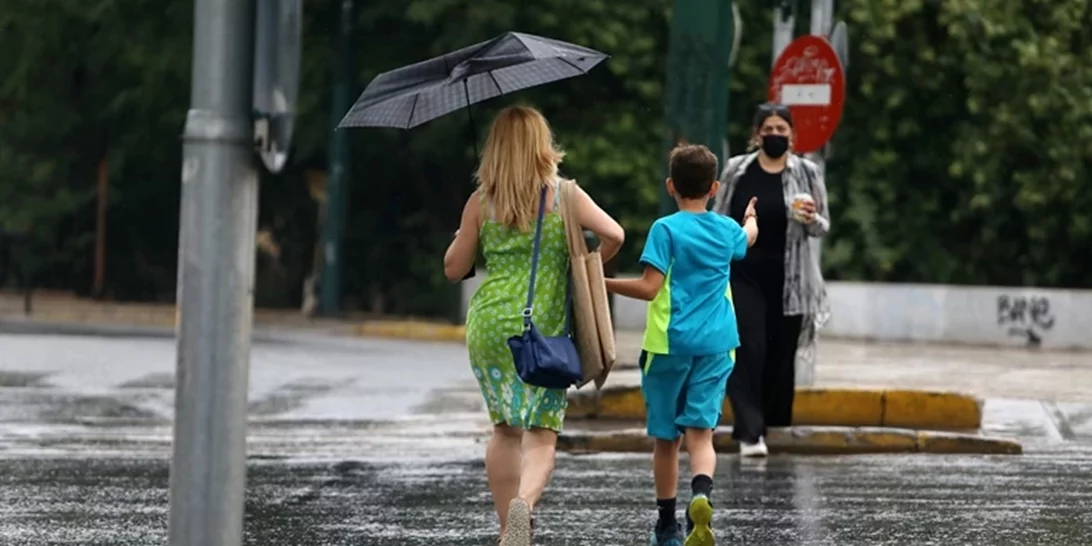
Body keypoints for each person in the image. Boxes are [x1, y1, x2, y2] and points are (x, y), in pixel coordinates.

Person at [443, 105, 624, 546]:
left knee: (504, 429)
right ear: (542, 145)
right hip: (542, 329)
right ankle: (524, 504)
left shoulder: (480, 202)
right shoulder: (566, 196)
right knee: (541, 433)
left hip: (489, 327)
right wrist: (584, 266)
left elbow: (454, 269)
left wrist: (461, 237)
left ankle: (508, 530)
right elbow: (615, 235)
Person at [606, 144, 757, 546]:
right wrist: (750, 218)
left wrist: (599, 283)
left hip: (668, 346)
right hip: (717, 344)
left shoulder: (665, 229)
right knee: (701, 434)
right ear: (714, 188)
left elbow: (649, 288)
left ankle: (667, 526)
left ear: (670, 185)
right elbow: (748, 238)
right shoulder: (726, 229)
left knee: (667, 440)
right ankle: (701, 496)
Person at [711, 102, 831, 458]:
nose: (775, 135)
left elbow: (823, 226)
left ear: (792, 135)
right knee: (747, 348)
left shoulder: (807, 172)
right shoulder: (737, 169)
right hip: (744, 274)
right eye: (769, 129)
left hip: (791, 280)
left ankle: (775, 426)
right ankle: (750, 432)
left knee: (780, 355)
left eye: (782, 129)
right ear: (757, 134)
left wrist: (810, 218)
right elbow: (718, 215)